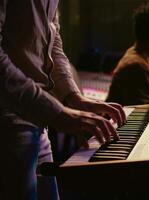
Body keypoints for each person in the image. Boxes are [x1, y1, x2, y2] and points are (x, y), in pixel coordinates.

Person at [0, 1, 126, 200]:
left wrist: (73, 96)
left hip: (37, 119)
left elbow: (54, 43)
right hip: (7, 120)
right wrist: (55, 111)